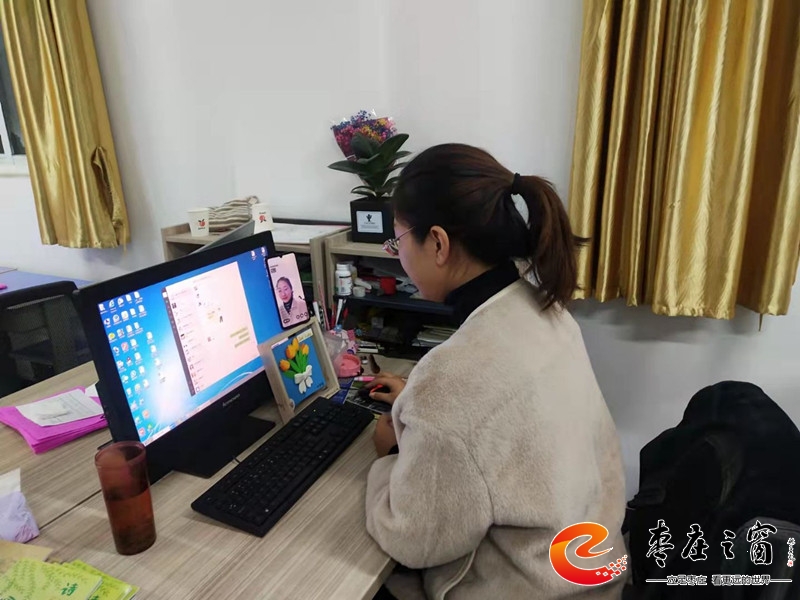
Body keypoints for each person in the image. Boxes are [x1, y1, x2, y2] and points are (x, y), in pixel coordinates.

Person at [364, 144, 627, 600]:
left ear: (438, 243)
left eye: (398, 240)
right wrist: (418, 400)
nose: (398, 255)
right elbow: (495, 411)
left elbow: (413, 541)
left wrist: (388, 456)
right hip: (593, 567)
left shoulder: (453, 378)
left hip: (534, 588)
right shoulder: (543, 307)